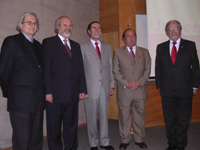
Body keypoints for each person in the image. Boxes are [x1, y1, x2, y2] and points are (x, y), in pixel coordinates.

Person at [0, 12, 45, 150]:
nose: (32, 25)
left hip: (38, 100)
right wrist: (12, 93)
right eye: (29, 22)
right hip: (20, 101)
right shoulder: (12, 41)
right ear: (20, 25)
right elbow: (3, 71)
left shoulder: (38, 45)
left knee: (37, 138)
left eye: (35, 23)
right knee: (22, 140)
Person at [42, 16, 87, 150]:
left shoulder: (76, 45)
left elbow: (80, 69)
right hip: (54, 95)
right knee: (54, 128)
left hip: (72, 95)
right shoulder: (49, 42)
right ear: (57, 27)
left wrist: (82, 89)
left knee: (71, 127)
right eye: (65, 25)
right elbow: (46, 68)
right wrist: (47, 91)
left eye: (70, 25)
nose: (68, 27)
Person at [155, 20, 200, 150]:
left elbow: (196, 68)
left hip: (185, 89)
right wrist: (159, 86)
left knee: (183, 118)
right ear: (166, 32)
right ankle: (172, 143)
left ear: (180, 30)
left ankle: (180, 144)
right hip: (167, 90)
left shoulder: (190, 45)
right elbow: (158, 67)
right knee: (169, 119)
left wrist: (195, 86)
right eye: (170, 29)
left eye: (176, 29)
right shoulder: (161, 47)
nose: (173, 32)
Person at [113, 29, 151, 150]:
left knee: (139, 115)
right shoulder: (118, 52)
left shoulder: (145, 52)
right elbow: (116, 72)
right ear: (124, 39)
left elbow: (147, 70)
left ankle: (140, 139)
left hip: (140, 90)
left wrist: (139, 83)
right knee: (124, 116)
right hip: (125, 90)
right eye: (128, 36)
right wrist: (127, 83)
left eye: (133, 36)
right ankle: (125, 139)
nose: (131, 38)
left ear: (136, 37)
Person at [80, 21, 115, 150]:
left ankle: (104, 142)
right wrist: (83, 89)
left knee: (104, 117)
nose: (97, 30)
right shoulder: (83, 47)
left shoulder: (107, 47)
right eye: (94, 28)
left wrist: (111, 85)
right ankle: (93, 142)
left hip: (104, 87)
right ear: (89, 31)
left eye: (99, 28)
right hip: (90, 89)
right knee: (91, 117)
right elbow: (81, 70)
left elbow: (110, 68)